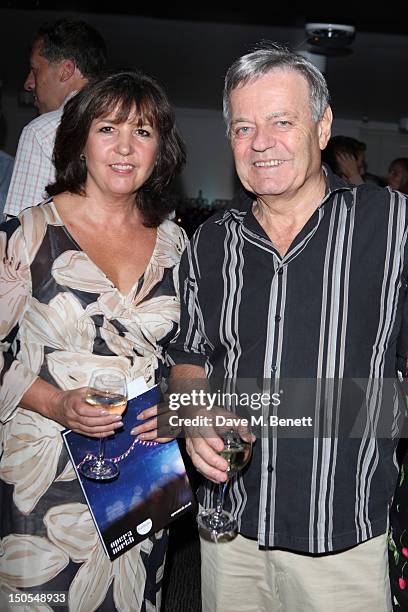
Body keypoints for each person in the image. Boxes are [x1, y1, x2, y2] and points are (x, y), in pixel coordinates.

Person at [165, 42, 408, 611]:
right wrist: (194, 413)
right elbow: (186, 357)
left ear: (322, 128)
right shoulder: (211, 242)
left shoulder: (392, 225)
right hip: (228, 532)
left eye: (281, 121)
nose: (260, 143)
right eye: (244, 127)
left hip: (342, 539)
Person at [0, 69, 186, 610]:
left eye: (144, 132)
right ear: (82, 138)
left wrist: (180, 407)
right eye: (109, 129)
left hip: (143, 475)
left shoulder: (177, 246)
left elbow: (190, 354)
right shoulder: (27, 234)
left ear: (160, 149)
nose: (126, 148)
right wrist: (55, 401)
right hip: (46, 480)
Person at [4, 18, 107, 217]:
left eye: (35, 70)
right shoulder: (139, 131)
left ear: (66, 70)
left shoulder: (42, 131)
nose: (28, 83)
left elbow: (20, 235)